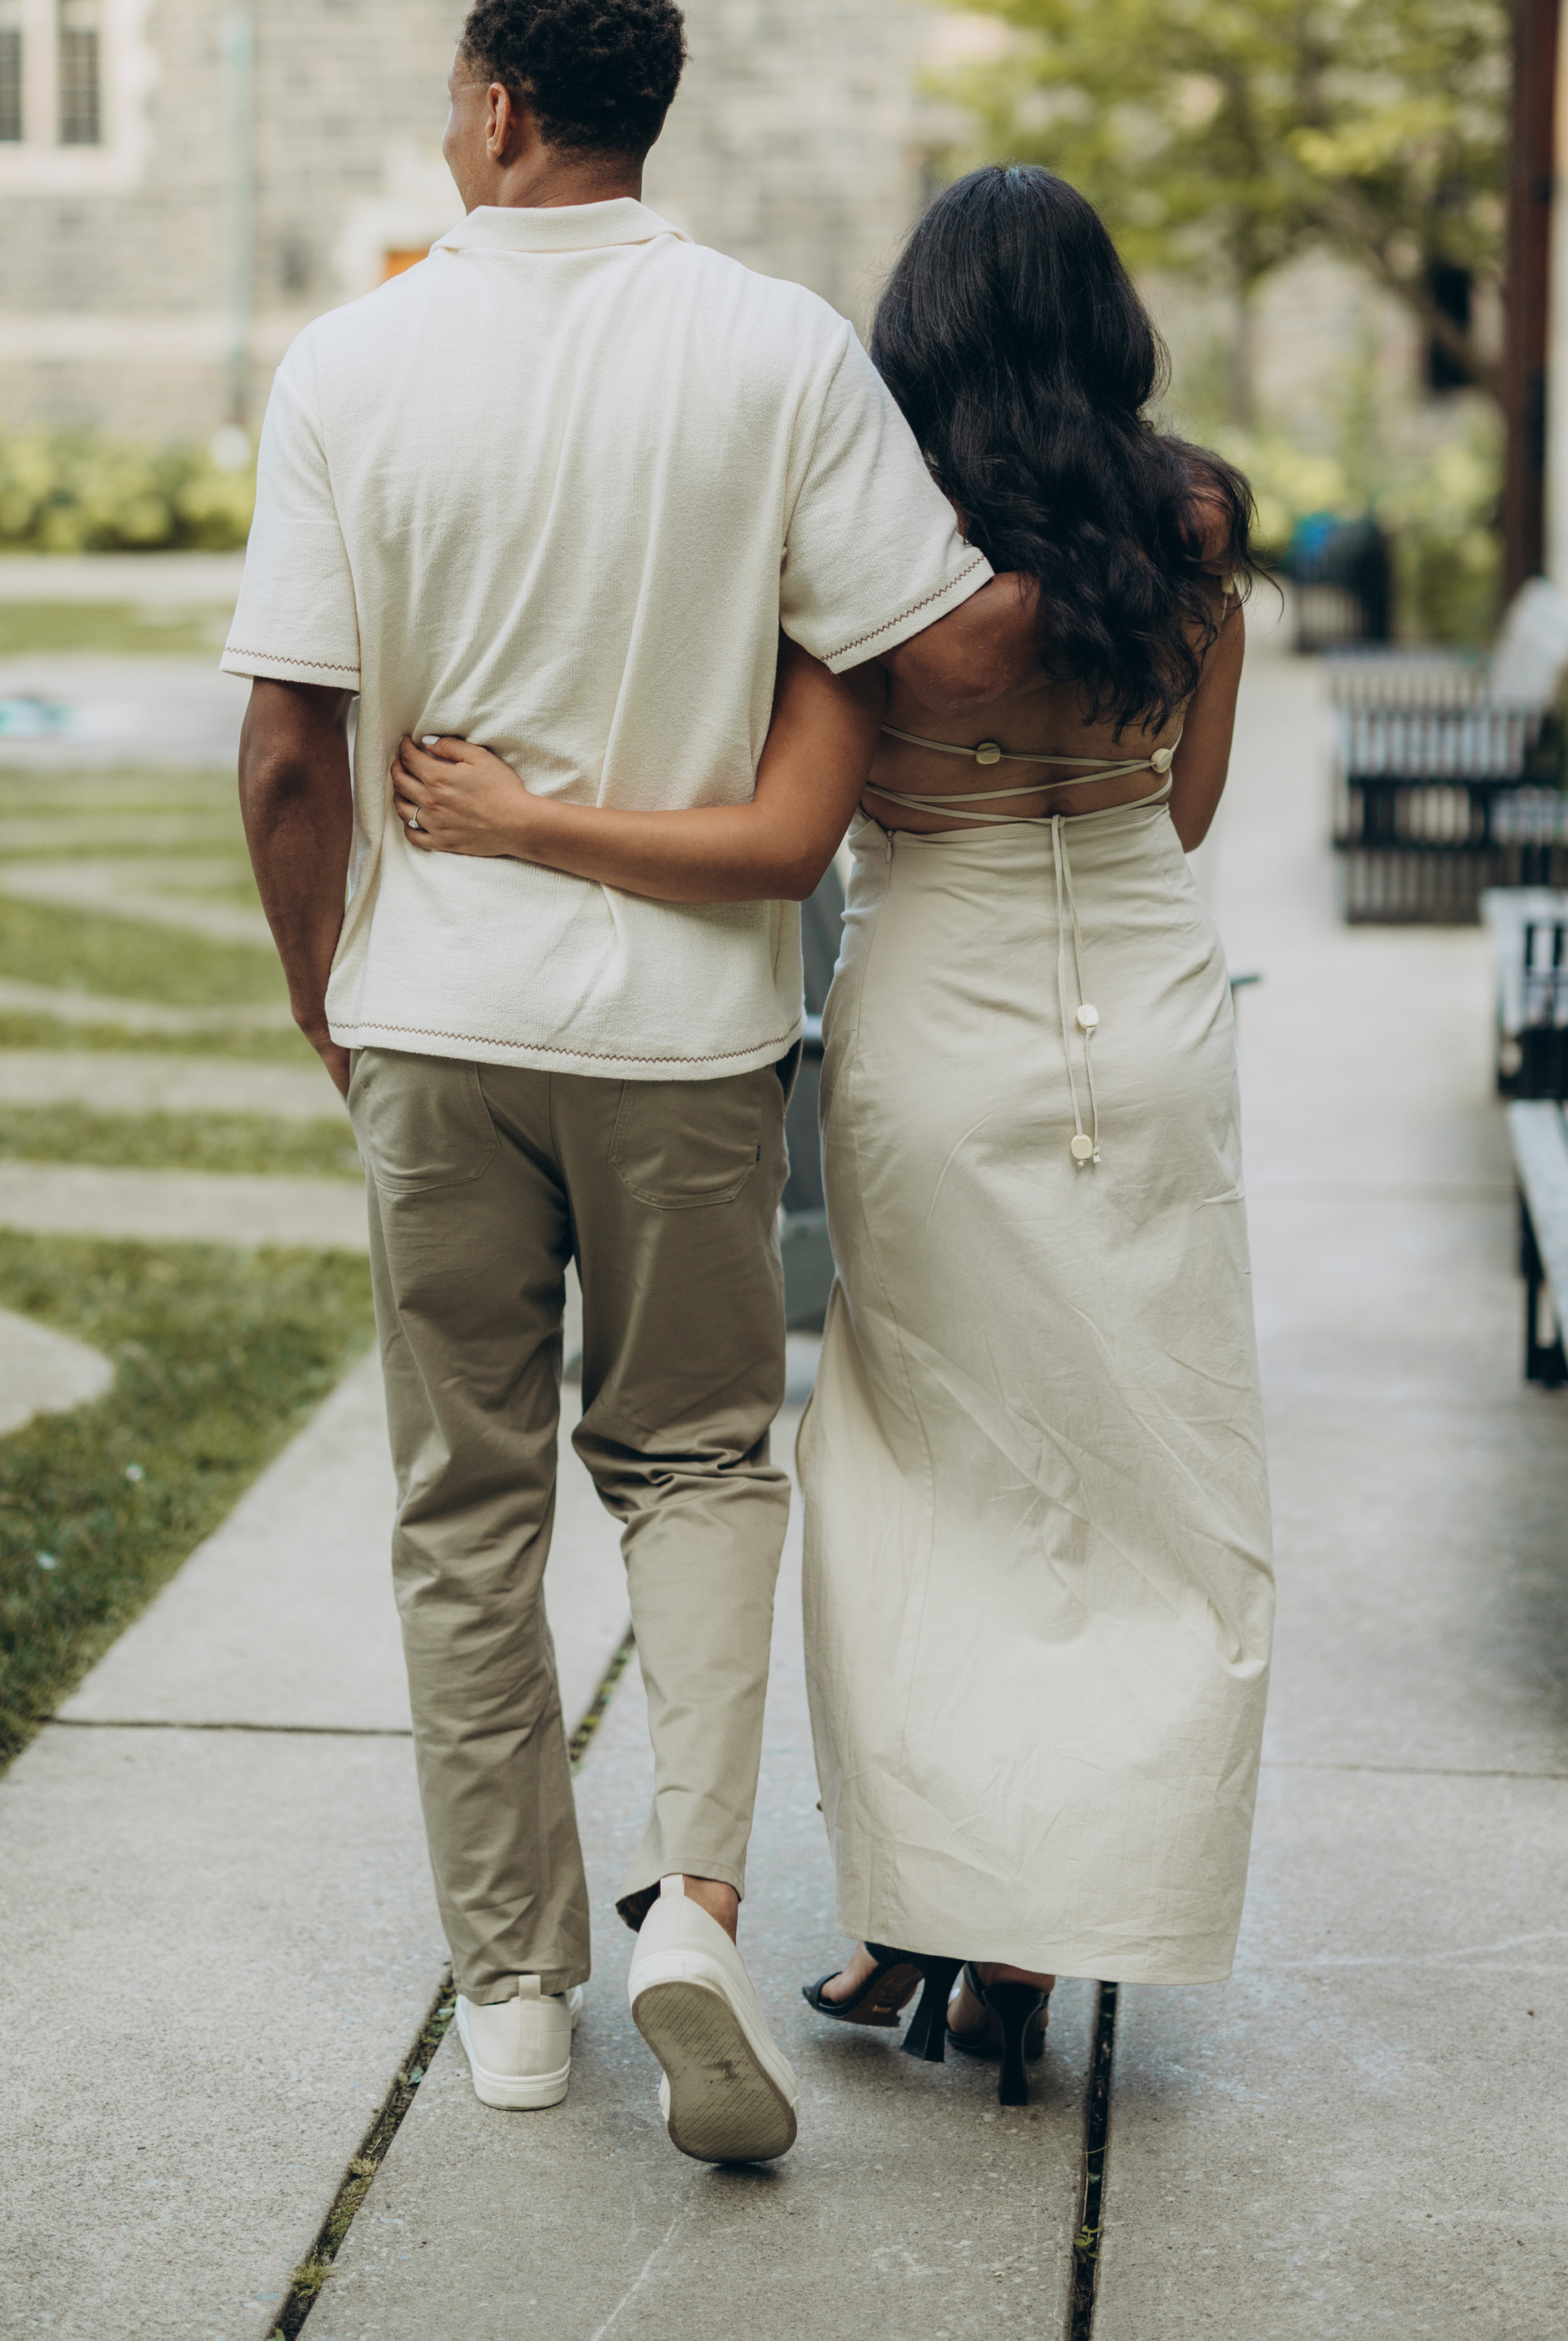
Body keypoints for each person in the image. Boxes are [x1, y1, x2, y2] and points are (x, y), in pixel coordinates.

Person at [225, 0, 1039, 2165]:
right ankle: (695, 1899)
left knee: (462, 1510)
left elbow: (291, 746)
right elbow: (936, 635)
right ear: (644, 114)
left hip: (433, 1022)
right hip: (687, 1038)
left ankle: (510, 1993)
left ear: (492, 106)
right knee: (695, 1459)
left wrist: (325, 988)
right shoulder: (776, 350)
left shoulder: (355, 362)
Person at [391, 163, 1276, 2110]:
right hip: (1144, 1012)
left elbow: (787, 840)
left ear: (924, 333)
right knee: (1145, 1473)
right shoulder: (1196, 522)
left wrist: (521, 820)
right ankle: (1024, 1947)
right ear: (1110, 320)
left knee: (921, 1469)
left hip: (936, 1024)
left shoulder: (897, 564)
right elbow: (1187, 811)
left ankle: (914, 1911)